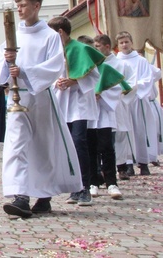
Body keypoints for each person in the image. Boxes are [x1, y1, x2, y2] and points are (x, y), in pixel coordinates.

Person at [0, 0, 81, 218]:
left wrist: (24, 71)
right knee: (16, 144)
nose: (20, 10)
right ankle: (20, 196)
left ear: (36, 6)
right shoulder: (11, 36)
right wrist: (7, 61)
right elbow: (0, 72)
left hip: (40, 96)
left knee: (42, 146)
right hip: (16, 97)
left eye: (24, 5)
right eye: (18, 6)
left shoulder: (50, 36)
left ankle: (44, 196)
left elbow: (55, 67)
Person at [47, 17, 100, 206]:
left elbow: (94, 76)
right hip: (62, 102)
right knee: (67, 145)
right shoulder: (54, 52)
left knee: (79, 142)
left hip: (78, 103)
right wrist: (57, 82)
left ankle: (85, 187)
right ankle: (74, 188)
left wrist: (75, 81)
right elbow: (50, 75)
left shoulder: (80, 49)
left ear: (60, 32)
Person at [115, 31, 162, 175]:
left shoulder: (141, 61)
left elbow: (147, 78)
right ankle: (128, 163)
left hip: (138, 100)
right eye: (121, 42)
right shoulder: (116, 62)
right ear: (117, 45)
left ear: (131, 43)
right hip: (123, 101)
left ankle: (143, 162)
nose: (124, 45)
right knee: (126, 132)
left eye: (126, 42)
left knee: (141, 131)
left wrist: (135, 87)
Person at [92, 34, 130, 199]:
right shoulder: (90, 65)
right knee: (92, 147)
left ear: (107, 46)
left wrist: (102, 94)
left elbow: (117, 87)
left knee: (107, 146)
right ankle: (93, 182)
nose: (95, 50)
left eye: (98, 46)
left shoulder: (115, 65)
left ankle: (111, 182)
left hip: (106, 110)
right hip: (90, 111)